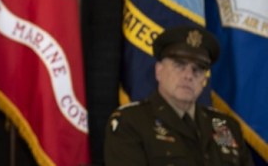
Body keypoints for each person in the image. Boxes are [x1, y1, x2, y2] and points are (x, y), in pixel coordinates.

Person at [104, 25, 253, 165]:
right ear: (159, 71)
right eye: (179, 65)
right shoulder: (131, 123)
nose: (188, 75)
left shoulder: (223, 126)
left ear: (204, 79)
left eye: (198, 69)